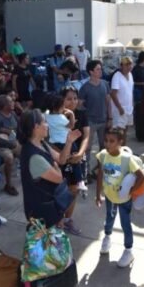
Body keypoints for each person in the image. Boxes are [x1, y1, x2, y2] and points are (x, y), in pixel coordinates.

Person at [18, 109, 81, 227]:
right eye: (45, 122)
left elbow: (61, 159)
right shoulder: (34, 156)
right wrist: (56, 166)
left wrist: (69, 142)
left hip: (49, 206)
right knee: (48, 242)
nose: (47, 125)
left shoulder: (41, 143)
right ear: (36, 127)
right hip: (42, 211)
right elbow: (58, 178)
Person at [95, 128, 144, 268]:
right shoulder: (103, 155)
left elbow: (141, 177)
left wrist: (132, 191)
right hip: (110, 196)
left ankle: (128, 251)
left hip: (124, 200)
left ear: (120, 142)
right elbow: (100, 174)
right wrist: (98, 194)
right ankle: (107, 237)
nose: (107, 144)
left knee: (125, 224)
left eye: (112, 141)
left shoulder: (127, 159)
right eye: (106, 140)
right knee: (109, 218)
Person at [59, 86, 90, 235]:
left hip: (77, 157)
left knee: (74, 189)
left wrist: (80, 153)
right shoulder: (54, 115)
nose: (73, 102)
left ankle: (67, 220)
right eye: (69, 99)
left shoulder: (82, 114)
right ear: (61, 100)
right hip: (60, 159)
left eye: (75, 98)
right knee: (58, 190)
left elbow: (86, 136)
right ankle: (57, 220)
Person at [78, 60, 111, 179]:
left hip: (103, 120)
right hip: (90, 122)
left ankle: (100, 170)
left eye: (100, 68)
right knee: (87, 148)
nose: (100, 70)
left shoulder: (105, 84)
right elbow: (79, 105)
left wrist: (110, 117)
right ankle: (85, 173)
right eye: (97, 69)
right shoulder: (85, 88)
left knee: (104, 147)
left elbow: (108, 102)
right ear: (91, 72)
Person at [0, 94, 22, 196]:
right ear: (4, 105)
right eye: (10, 101)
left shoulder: (12, 114)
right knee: (9, 157)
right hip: (0, 146)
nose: (13, 102)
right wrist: (10, 144)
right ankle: (8, 185)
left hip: (12, 142)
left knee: (26, 151)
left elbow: (19, 128)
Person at [110, 56, 135, 138]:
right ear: (121, 66)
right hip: (119, 110)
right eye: (126, 65)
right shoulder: (117, 76)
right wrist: (120, 108)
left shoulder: (130, 75)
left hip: (129, 109)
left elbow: (130, 91)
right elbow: (113, 94)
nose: (129, 67)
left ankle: (123, 149)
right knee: (118, 133)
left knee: (125, 133)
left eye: (130, 64)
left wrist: (132, 105)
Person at [132, 51, 144, 141]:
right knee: (139, 113)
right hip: (138, 92)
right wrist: (143, 83)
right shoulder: (136, 68)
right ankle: (139, 133)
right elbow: (132, 82)